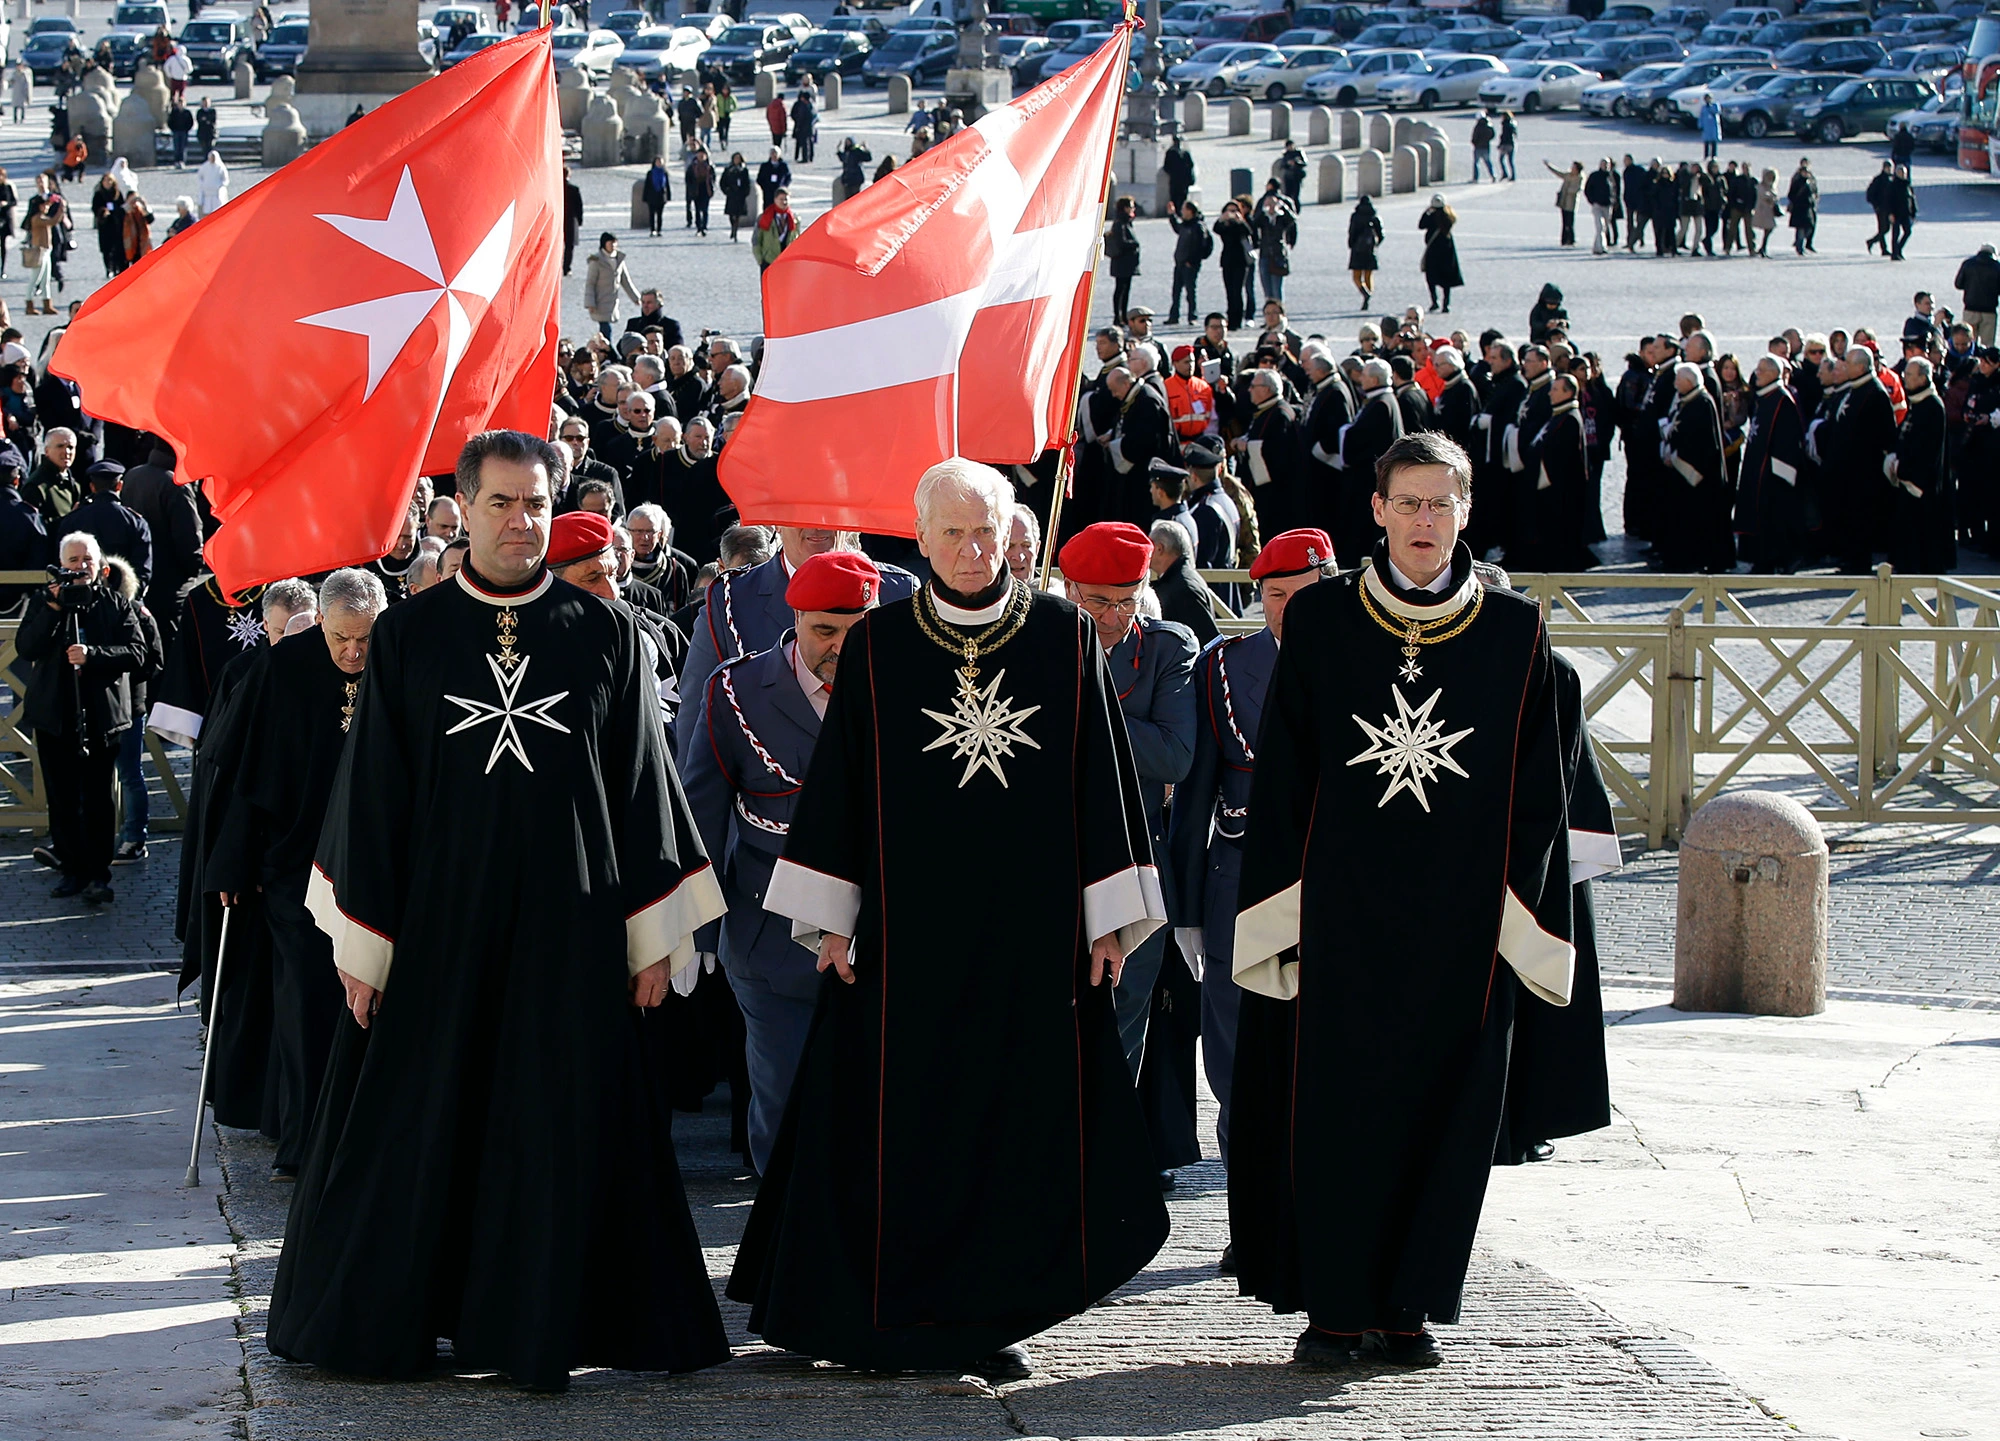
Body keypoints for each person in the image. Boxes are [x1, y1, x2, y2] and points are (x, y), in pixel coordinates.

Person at [265, 429, 730, 1392]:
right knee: (420, 1122)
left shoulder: (607, 632)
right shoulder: (408, 634)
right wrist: (364, 944)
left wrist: (653, 935)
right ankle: (403, 1317)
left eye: (536, 503)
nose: (521, 521)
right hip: (439, 932)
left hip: (574, 933)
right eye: (502, 503)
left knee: (558, 1127)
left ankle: (540, 1325)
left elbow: (643, 787)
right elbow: (373, 793)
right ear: (465, 509)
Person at [727, 459, 1170, 1380]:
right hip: (906, 940)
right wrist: (832, 917)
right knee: (906, 1122)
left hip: (1031, 938)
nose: (972, 550)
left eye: (986, 532)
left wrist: (1107, 919)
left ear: (1013, 537)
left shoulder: (1061, 634)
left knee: (1013, 1122)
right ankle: (897, 1309)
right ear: (921, 538)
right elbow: (841, 784)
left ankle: (989, 1314)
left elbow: (1101, 780)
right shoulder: (881, 643)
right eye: (954, 532)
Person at [1229, 430, 1570, 1370]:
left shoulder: (1516, 633)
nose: (1425, 520)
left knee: (1443, 1116)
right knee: (1339, 1113)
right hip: (1341, 922)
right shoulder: (1323, 619)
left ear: (1466, 511)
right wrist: (1283, 915)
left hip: (1461, 929)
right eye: (1408, 502)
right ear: (1377, 510)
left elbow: (1540, 790)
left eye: (1441, 503)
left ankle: (1410, 1306)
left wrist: (1513, 918)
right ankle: (1336, 1309)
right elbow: (1285, 777)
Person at [679, 549, 881, 1175]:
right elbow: (703, 810)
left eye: (856, 631)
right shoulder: (737, 689)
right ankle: (785, 1230)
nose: (840, 647)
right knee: (785, 1101)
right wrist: (695, 929)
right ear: (794, 619)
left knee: (874, 1110)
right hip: (770, 934)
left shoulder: (905, 688)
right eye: (824, 630)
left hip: (881, 935)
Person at [1168, 527, 1326, 1239]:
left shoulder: (1369, 660)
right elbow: (1195, 792)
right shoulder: (1225, 666)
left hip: (1337, 885)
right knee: (1235, 1056)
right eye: (1274, 595)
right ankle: (1251, 1221)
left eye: (1302, 594)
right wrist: (1187, 907)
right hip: (1238, 881)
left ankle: (1316, 1217)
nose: (1286, 609)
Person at [206, 569, 386, 1179]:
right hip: (295, 868)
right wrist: (234, 861)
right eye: (341, 638)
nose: (353, 653)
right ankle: (305, 1140)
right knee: (306, 1000)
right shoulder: (282, 669)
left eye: (364, 638)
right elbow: (245, 774)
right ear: (322, 624)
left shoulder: (398, 662)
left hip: (375, 867)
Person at [1060, 522, 1197, 1088]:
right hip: (1052, 861)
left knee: (1118, 1042)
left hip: (1133, 865)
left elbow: (1174, 756)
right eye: (1099, 602)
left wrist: (1080, 715)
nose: (1114, 618)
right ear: (1069, 588)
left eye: (1128, 601)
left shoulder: (1167, 647)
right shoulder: (1040, 641)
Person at [17, 531, 147, 906]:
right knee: (61, 799)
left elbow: (137, 652)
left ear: (100, 565)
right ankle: (71, 869)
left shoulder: (115, 602)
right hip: (54, 716)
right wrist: (53, 609)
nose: (80, 567)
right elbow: (26, 647)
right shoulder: (45, 602)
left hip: (101, 718)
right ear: (61, 566)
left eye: (87, 560)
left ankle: (97, 874)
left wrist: (94, 655)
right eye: (72, 561)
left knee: (98, 800)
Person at [1887, 356, 1951, 573]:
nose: (1905, 378)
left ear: (1923, 378)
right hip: (1906, 479)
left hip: (1922, 484)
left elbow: (1928, 448)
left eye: (1910, 375)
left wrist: (1906, 469)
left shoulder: (1933, 406)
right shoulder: (1917, 403)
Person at [583, 232, 641, 340]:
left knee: (606, 326)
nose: (613, 245)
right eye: (610, 243)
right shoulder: (596, 261)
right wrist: (590, 303)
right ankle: (607, 346)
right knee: (605, 327)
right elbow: (590, 283)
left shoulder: (619, 260)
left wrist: (636, 298)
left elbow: (625, 281)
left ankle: (603, 345)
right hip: (600, 300)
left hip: (612, 300)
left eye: (615, 243)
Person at [1212, 198, 1255, 332]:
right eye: (1229, 210)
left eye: (1234, 210)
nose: (1232, 213)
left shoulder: (1241, 224)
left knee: (1237, 291)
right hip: (1227, 261)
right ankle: (1231, 319)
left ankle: (1237, 320)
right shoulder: (1225, 225)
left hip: (1241, 261)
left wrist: (1240, 220)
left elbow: (1249, 231)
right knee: (1229, 292)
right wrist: (1222, 218)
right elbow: (1216, 229)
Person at [1164, 201, 1210, 326]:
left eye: (1184, 209)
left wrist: (1192, 261)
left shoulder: (1198, 226)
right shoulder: (1186, 224)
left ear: (1190, 211)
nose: (1182, 211)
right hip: (1180, 262)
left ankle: (1192, 316)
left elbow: (1201, 247)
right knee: (1176, 291)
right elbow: (1177, 228)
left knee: (1190, 291)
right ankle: (1174, 316)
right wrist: (1172, 215)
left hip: (1190, 264)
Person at [1251, 192, 1296, 304]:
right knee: (1267, 289)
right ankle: (1269, 309)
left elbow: (1292, 220)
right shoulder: (1263, 217)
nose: (1271, 206)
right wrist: (1263, 208)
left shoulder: (1281, 217)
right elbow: (1254, 223)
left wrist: (1283, 207)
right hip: (1265, 254)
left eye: (1273, 203)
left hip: (1278, 255)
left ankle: (1279, 309)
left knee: (1277, 288)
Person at [1419, 196, 1461, 314]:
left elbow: (1421, 225)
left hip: (1433, 251)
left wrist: (1426, 212)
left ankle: (1434, 301)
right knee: (1446, 279)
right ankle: (1446, 304)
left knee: (1430, 277)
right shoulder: (1448, 217)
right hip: (1447, 251)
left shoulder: (1431, 217)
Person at [1104, 194, 1140, 324]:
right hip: (1121, 262)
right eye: (1131, 207)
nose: (1133, 209)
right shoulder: (1120, 223)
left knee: (1125, 290)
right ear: (1125, 208)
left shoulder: (1126, 222)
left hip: (1127, 262)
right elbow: (1121, 242)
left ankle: (1123, 315)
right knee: (1120, 289)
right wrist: (1134, 244)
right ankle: (1117, 316)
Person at [1955, 243, 2000, 345]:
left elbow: (1958, 284)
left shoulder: (1968, 264)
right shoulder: (1997, 267)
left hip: (1970, 309)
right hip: (1989, 312)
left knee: (1968, 342)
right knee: (1987, 344)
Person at [1347, 195, 1382, 311]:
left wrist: (1351, 244)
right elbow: (1381, 234)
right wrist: (1375, 244)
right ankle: (1368, 298)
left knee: (1356, 277)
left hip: (1357, 250)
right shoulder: (1374, 216)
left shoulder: (1355, 216)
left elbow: (1352, 232)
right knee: (1368, 275)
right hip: (1370, 250)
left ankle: (1364, 292)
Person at [752, 187, 797, 272]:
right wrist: (760, 259)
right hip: (769, 260)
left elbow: (797, 239)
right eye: (781, 199)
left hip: (787, 261)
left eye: (786, 199)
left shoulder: (794, 219)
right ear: (775, 200)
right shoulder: (764, 218)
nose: (784, 202)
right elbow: (756, 240)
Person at [1543, 159, 1581, 247]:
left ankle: (1571, 240)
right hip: (1564, 202)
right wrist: (1549, 166)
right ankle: (1564, 240)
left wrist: (1569, 190)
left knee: (1570, 222)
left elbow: (1578, 188)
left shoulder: (1580, 178)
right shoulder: (1568, 175)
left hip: (1571, 203)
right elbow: (1559, 173)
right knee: (1564, 222)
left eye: (1574, 167)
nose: (1572, 168)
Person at [1583, 159, 1615, 256]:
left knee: (1604, 227)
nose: (1605, 166)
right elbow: (1587, 189)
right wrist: (1592, 201)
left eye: (1607, 164)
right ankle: (1602, 247)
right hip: (1597, 205)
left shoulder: (1611, 177)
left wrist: (1612, 201)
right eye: (1604, 164)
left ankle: (1596, 247)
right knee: (1600, 226)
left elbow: (1614, 190)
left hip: (1607, 205)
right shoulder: (1595, 176)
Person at [1887, 163, 1918, 263]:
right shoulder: (1893, 185)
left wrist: (1913, 212)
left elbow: (1912, 199)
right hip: (1896, 213)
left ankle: (1899, 249)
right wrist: (1890, 213)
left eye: (1904, 173)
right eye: (1901, 173)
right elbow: (1889, 200)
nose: (1903, 175)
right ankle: (1894, 254)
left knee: (1908, 232)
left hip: (1906, 213)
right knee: (1895, 234)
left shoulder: (1908, 185)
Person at [720, 152, 753, 242]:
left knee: (738, 214)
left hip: (740, 195)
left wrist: (745, 192)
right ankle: (733, 227)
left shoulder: (744, 170)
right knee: (731, 214)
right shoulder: (728, 170)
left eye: (738, 158)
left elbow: (747, 182)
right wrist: (726, 191)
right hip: (731, 195)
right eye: (735, 158)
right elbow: (723, 182)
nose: (737, 160)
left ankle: (735, 230)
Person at [1787, 157, 1818, 256]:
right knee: (1800, 228)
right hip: (1799, 208)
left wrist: (1814, 199)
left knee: (1810, 227)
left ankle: (1804, 243)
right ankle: (1799, 248)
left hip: (1809, 207)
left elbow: (1814, 190)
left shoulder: (1811, 179)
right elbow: (1791, 194)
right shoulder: (1797, 179)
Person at [1865, 160, 1895, 257]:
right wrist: (1876, 205)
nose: (1889, 169)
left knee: (1885, 228)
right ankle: (1883, 248)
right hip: (1881, 208)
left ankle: (1872, 242)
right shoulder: (1878, 179)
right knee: (1883, 228)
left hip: (1889, 208)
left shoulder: (1892, 178)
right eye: (1887, 167)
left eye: (1890, 167)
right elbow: (1870, 194)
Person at [1751, 167, 1779, 258]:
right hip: (1762, 211)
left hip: (1769, 212)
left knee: (1769, 228)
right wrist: (1771, 198)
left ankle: (1763, 247)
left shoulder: (1772, 187)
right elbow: (1764, 196)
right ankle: (1762, 247)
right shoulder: (1760, 186)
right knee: (1767, 227)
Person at [1163, 134, 1195, 207]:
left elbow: (1190, 165)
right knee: (1176, 199)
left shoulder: (1184, 153)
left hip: (1180, 181)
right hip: (1177, 180)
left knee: (1181, 198)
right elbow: (1166, 167)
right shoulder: (1172, 153)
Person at [642, 157, 670, 237]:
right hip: (651, 196)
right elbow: (647, 185)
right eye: (658, 162)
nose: (659, 163)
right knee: (651, 214)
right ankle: (652, 230)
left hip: (661, 196)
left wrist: (668, 196)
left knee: (660, 215)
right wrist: (645, 197)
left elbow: (667, 185)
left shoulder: (664, 173)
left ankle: (659, 230)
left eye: (660, 162)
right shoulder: (650, 173)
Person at [755, 146, 790, 212]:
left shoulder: (783, 166)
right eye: (772, 153)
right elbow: (760, 178)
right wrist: (763, 187)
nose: (774, 155)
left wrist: (784, 186)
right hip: (768, 192)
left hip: (779, 190)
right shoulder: (765, 166)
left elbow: (788, 177)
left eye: (775, 153)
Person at [196, 149, 228, 216]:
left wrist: (220, 185)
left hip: (216, 193)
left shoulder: (220, 167)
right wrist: (202, 185)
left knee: (218, 209)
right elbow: (199, 176)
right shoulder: (204, 166)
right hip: (207, 193)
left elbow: (225, 179)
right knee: (207, 210)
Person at [1277, 140, 1307, 208]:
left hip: (1296, 176)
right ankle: (1288, 208)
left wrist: (1296, 162)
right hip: (1288, 177)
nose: (1290, 147)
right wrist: (1288, 163)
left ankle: (1297, 208)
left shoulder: (1299, 153)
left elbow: (1304, 163)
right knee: (1288, 194)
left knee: (1296, 195)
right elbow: (1282, 165)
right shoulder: (1286, 154)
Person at [1470, 111, 1495, 183]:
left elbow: (1474, 137)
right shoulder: (1489, 125)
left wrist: (1474, 142)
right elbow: (1492, 135)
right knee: (1488, 162)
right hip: (1486, 147)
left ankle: (1475, 178)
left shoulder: (1478, 127)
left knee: (1476, 163)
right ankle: (1493, 175)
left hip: (1478, 147)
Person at [1698, 92, 1720, 160]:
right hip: (1706, 126)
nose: (1708, 100)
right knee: (1706, 141)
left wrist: (1710, 107)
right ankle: (1706, 155)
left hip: (1713, 126)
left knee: (1714, 141)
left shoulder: (1715, 105)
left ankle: (1714, 155)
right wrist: (1700, 125)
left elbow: (1717, 112)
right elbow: (1701, 116)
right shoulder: (1703, 108)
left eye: (1709, 98)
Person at [1497, 110, 1517, 181]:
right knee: (1511, 161)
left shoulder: (1505, 124)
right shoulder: (1513, 123)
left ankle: (1505, 174)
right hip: (1512, 144)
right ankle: (1513, 176)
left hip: (1505, 145)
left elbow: (1504, 136)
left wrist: (1500, 144)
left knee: (1501, 159)